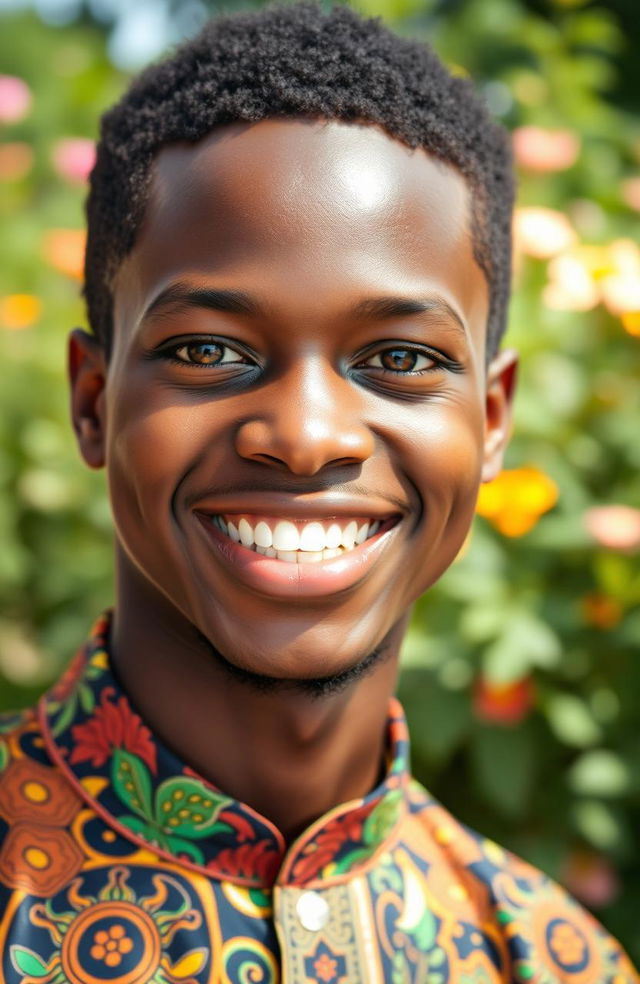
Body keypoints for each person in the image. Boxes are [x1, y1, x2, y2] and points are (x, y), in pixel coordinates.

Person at [0, 4, 636, 981]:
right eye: (207, 351)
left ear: (492, 419)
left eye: (398, 357)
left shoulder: (553, 961)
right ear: (93, 401)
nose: (303, 438)